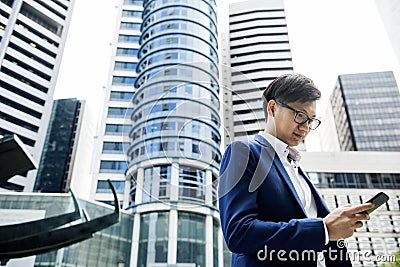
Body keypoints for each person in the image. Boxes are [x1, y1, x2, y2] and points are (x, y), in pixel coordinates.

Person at [218, 73, 373, 267]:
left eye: (311, 120)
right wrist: (323, 229)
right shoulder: (244, 152)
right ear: (273, 108)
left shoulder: (297, 168)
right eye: (300, 115)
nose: (306, 127)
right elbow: (238, 232)